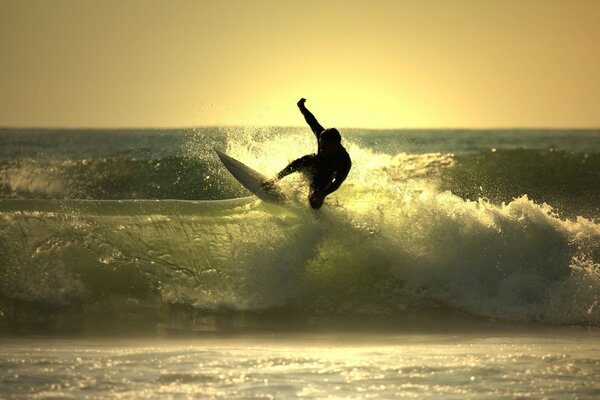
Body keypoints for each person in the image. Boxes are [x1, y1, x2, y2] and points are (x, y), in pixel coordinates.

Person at [266, 98, 351, 209]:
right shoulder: (322, 135)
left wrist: (323, 194)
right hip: (314, 162)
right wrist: (302, 107)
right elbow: (312, 121)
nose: (321, 148)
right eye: (321, 144)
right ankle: (274, 180)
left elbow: (337, 182)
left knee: (314, 202)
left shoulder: (344, 160)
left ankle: (315, 208)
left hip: (325, 175)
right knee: (303, 161)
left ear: (335, 145)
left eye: (325, 146)